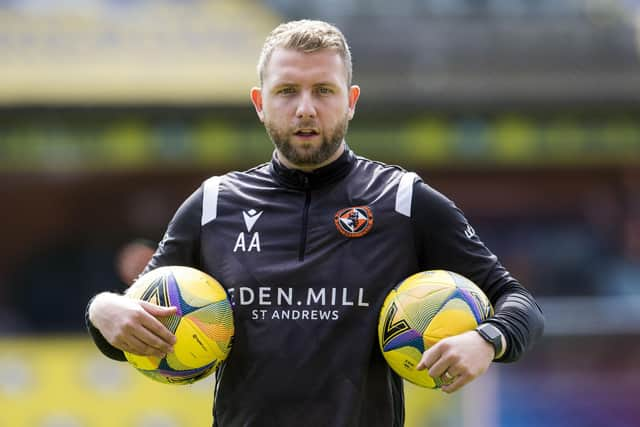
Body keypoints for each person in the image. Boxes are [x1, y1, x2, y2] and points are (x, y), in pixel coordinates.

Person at [86, 20, 544, 427]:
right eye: (287, 91)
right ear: (260, 102)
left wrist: (488, 339)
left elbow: (519, 302)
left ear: (351, 101)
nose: (305, 108)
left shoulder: (404, 201)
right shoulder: (213, 205)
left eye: (323, 90)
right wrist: (102, 309)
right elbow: (133, 323)